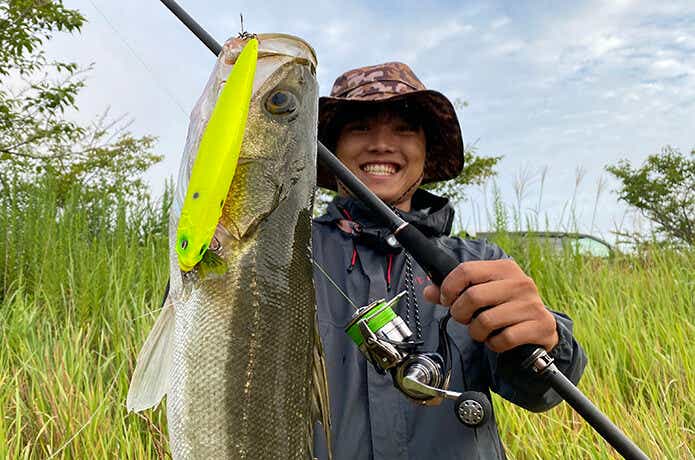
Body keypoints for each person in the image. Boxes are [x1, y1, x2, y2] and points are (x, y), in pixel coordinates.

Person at [311, 62, 586, 460]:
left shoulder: (478, 262)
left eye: (404, 128)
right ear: (332, 149)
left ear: (426, 154)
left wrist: (546, 341)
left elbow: (539, 392)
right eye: (360, 127)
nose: (381, 144)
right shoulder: (287, 256)